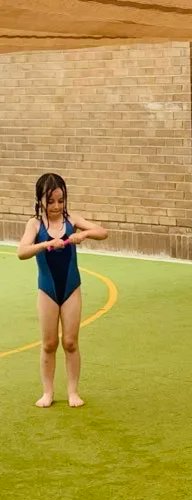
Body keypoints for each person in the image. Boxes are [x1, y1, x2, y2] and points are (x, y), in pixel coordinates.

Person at [17, 172, 109, 408]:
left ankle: (73, 392)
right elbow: (22, 252)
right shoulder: (35, 224)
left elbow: (102, 232)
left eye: (61, 200)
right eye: (50, 202)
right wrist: (47, 243)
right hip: (47, 291)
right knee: (49, 343)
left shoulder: (71, 219)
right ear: (40, 200)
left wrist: (83, 234)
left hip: (71, 289)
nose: (57, 206)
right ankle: (47, 392)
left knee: (70, 342)